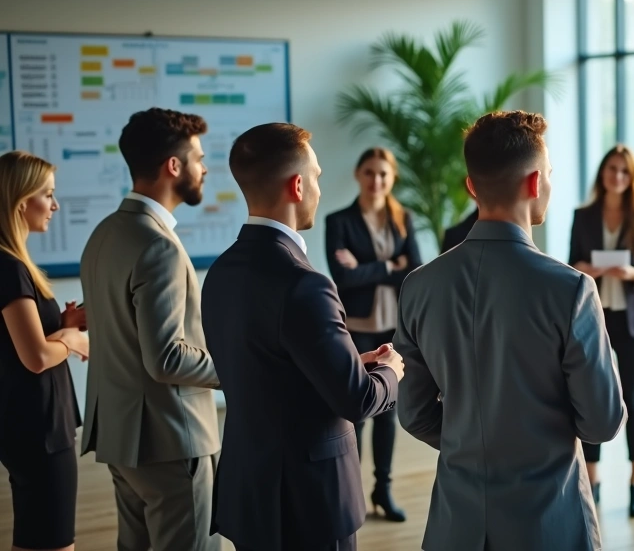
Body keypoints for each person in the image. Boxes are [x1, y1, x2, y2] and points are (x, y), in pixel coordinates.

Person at [395, 110, 625, 551]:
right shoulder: (571, 290)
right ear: (536, 182)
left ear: (470, 186)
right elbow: (602, 421)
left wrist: (473, 444)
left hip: (455, 525)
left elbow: (414, 413)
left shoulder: (419, 286)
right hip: (549, 521)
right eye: (551, 174)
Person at [201, 123, 404, 551]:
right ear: (297, 186)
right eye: (316, 177)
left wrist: (347, 361)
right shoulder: (305, 284)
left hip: (251, 489)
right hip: (308, 499)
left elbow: (268, 367)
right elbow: (358, 400)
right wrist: (389, 372)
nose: (317, 187)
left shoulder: (221, 272)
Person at [80, 108, 222, 551]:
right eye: (198, 158)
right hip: (171, 440)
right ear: (173, 166)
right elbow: (167, 357)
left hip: (122, 437)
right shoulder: (158, 244)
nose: (205, 168)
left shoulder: (105, 233)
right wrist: (239, 364)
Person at [324, 147, 422, 523]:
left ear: (392, 177)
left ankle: (384, 488)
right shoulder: (339, 221)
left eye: (383, 173)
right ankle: (352, 490)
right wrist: (388, 264)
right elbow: (342, 277)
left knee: (388, 413)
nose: (376, 180)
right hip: (358, 329)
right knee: (357, 413)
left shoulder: (403, 219)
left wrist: (369, 266)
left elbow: (414, 269)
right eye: (369, 172)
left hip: (392, 328)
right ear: (357, 174)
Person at [0, 151, 87, 551]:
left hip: (34, 426)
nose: (54, 205)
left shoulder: (14, 263)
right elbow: (34, 356)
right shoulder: (9, 267)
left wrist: (63, 326)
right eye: (47, 195)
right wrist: (70, 341)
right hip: (39, 431)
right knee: (53, 543)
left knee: (37, 539)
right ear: (21, 202)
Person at [569, 144, 634, 517]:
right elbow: (570, 262)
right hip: (595, 318)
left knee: (633, 398)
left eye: (624, 171)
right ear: (602, 173)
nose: (617, 176)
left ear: (632, 176)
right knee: (593, 395)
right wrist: (584, 267)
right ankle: (593, 479)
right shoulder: (583, 215)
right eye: (611, 169)